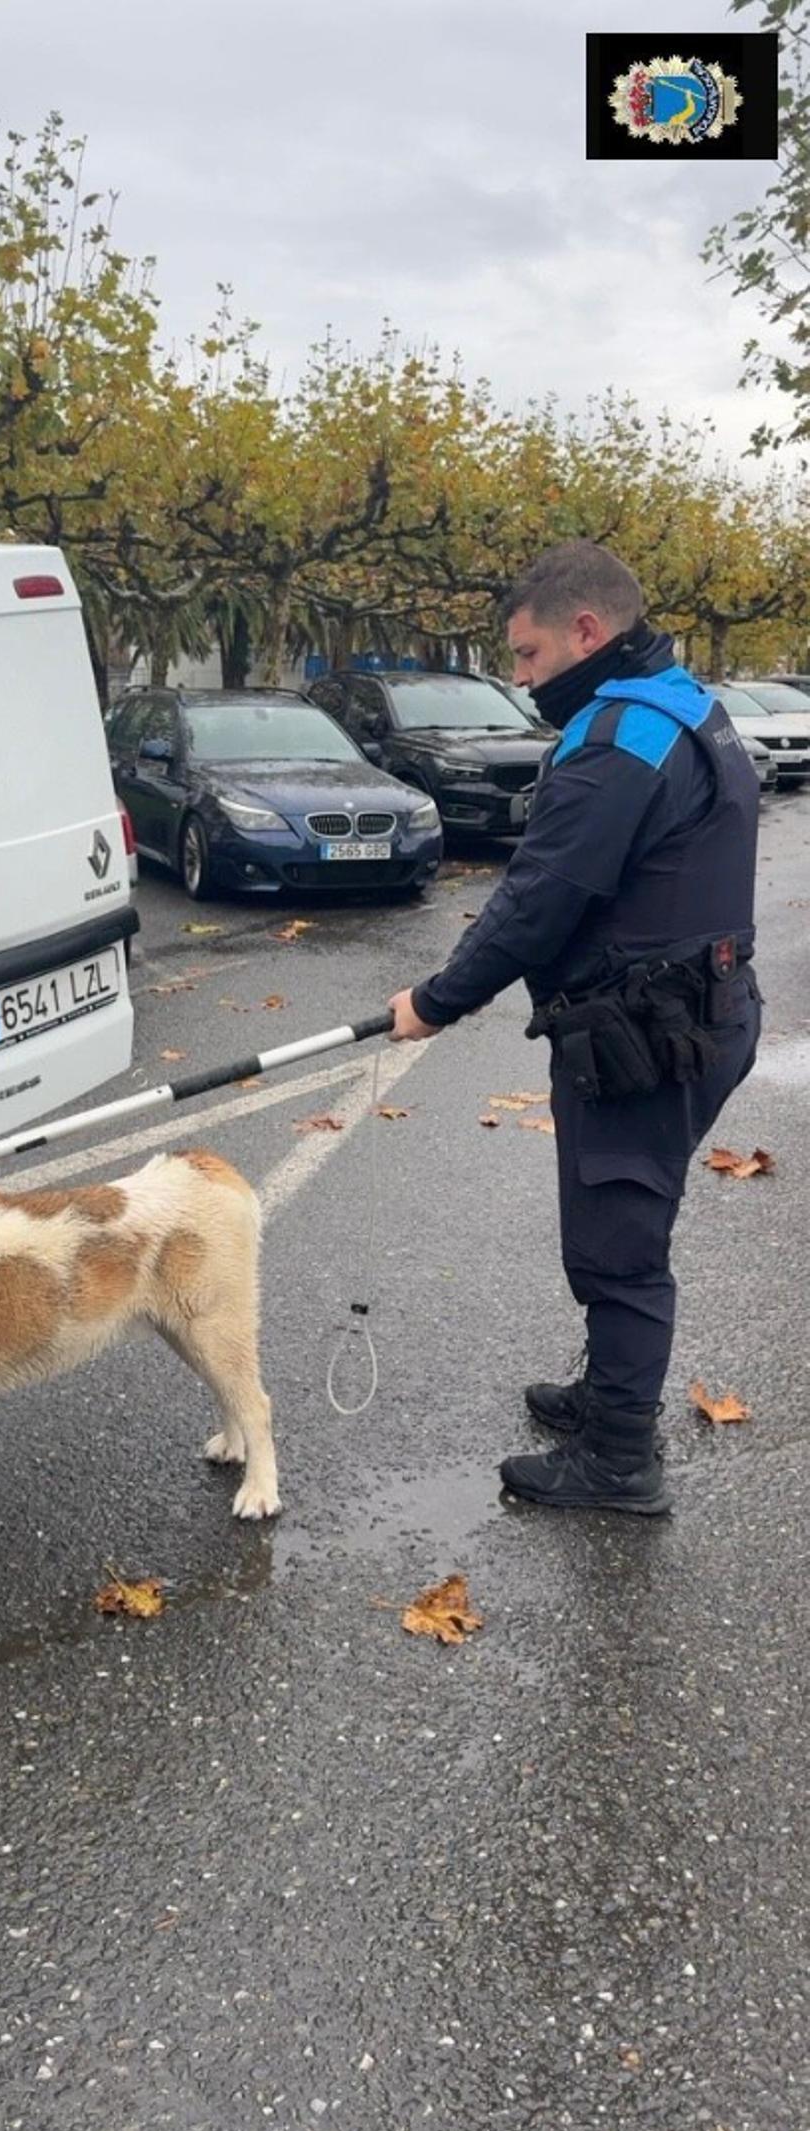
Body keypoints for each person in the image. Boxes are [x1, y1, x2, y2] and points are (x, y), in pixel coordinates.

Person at [387, 540, 762, 1514]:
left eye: (526, 655)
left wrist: (435, 1000)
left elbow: (539, 896)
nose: (518, 678)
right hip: (699, 1014)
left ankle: (619, 1460)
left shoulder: (621, 735)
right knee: (624, 1223)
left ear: (586, 631)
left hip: (646, 1037)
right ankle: (608, 1396)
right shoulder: (688, 703)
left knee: (617, 1248)